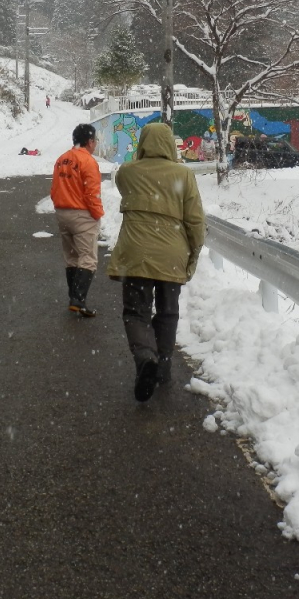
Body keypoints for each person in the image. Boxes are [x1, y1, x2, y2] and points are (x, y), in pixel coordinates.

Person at [107, 122, 205, 402]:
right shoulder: (183, 175)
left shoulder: (127, 173)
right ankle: (162, 366)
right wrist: (194, 253)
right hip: (172, 254)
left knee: (135, 311)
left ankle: (145, 356)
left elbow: (124, 183)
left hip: (136, 252)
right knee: (167, 312)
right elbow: (196, 220)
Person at [51, 123, 104, 317]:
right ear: (90, 141)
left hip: (62, 212)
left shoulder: (61, 159)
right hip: (82, 215)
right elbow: (92, 193)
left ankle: (74, 297)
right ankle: (78, 299)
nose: (95, 144)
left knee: (72, 257)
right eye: (95, 140)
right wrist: (97, 214)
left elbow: (54, 188)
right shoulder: (88, 161)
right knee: (88, 258)